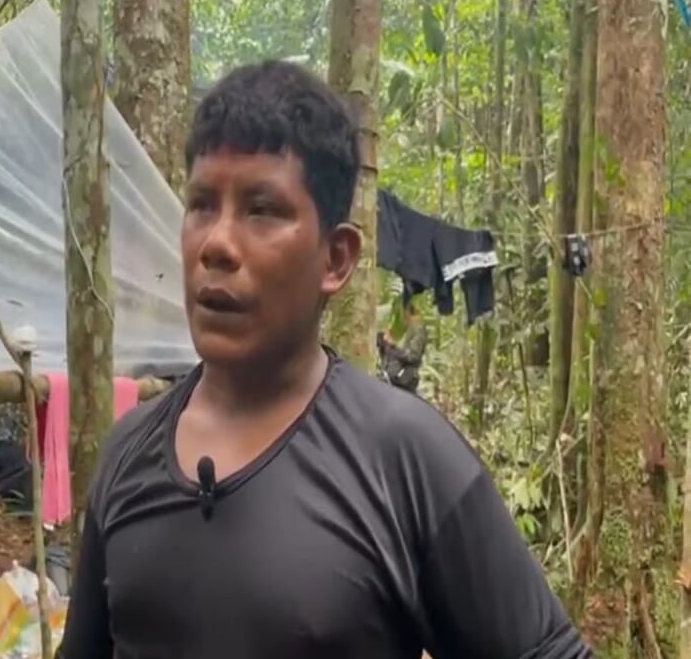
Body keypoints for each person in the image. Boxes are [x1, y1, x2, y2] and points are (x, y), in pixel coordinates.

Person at [58, 61, 589, 658]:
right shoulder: (128, 455)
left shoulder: (404, 458)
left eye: (261, 210)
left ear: (335, 258)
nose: (217, 244)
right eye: (202, 205)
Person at [378, 304, 429, 393]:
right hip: (397, 378)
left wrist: (393, 346)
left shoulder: (418, 328)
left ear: (406, 312)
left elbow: (413, 356)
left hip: (405, 379)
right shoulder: (410, 328)